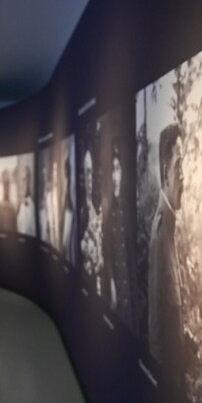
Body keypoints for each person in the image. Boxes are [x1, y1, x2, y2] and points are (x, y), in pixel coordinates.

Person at [147, 123, 189, 374]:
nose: (184, 175)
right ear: (165, 172)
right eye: (179, 165)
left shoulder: (170, 228)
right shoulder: (160, 233)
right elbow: (155, 336)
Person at [103, 139, 131, 325]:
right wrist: (112, 284)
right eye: (112, 169)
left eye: (117, 169)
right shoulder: (109, 214)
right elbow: (108, 255)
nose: (114, 176)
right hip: (116, 294)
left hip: (129, 291)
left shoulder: (128, 210)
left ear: (122, 173)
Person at [80, 149, 103, 295]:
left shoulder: (96, 204)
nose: (90, 178)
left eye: (91, 172)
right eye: (87, 172)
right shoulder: (83, 210)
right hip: (88, 275)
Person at [61, 152, 77, 264]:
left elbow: (70, 199)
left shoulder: (71, 182)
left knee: (68, 241)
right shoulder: (66, 181)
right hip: (67, 213)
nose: (65, 171)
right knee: (65, 242)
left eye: (66, 168)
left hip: (70, 213)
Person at [16, 165, 36, 236]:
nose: (21, 184)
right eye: (21, 180)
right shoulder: (21, 203)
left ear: (29, 181)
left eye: (24, 180)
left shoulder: (32, 206)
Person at [47, 161, 61, 250]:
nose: (55, 175)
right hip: (53, 231)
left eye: (56, 171)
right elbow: (50, 218)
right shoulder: (49, 196)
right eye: (54, 171)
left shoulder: (61, 194)